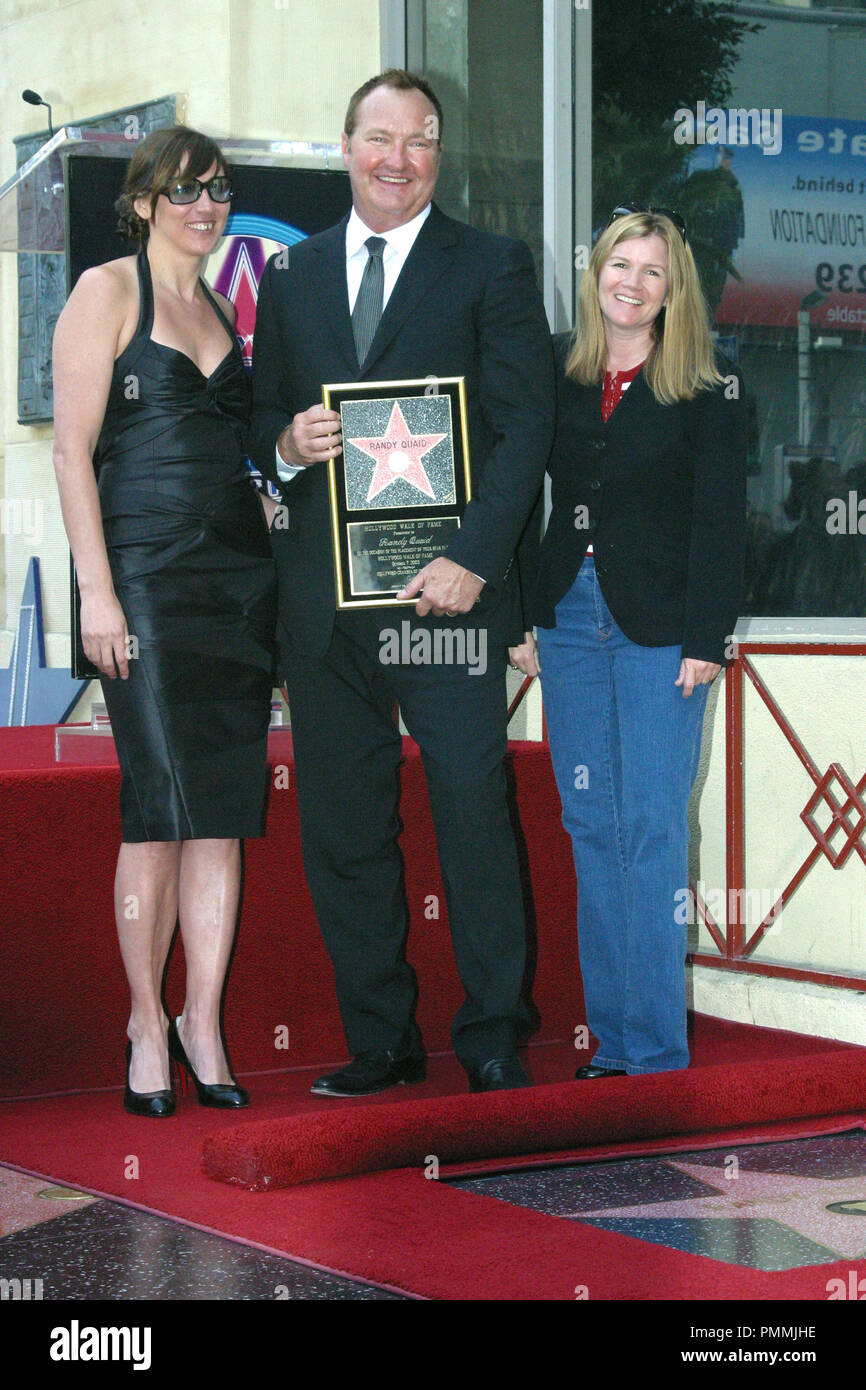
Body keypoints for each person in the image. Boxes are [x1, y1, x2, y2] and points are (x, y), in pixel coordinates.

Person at [250, 69, 554, 1096]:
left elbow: (523, 430)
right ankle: (378, 1041)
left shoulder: (491, 266)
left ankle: (491, 1032)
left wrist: (473, 557)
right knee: (344, 822)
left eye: (418, 141)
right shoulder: (289, 277)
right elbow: (259, 419)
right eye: (379, 137)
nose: (397, 158)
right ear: (346, 147)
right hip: (325, 606)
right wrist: (286, 444)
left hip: (446, 601)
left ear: (436, 156)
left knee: (471, 805)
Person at [52, 126, 277, 1116]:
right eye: (183, 190)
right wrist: (96, 592)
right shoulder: (106, 291)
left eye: (217, 190)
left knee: (220, 816)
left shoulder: (221, 302)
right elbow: (70, 453)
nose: (203, 205)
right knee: (158, 808)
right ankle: (145, 1018)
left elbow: (232, 448)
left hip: (236, 582)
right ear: (143, 201)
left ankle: (203, 1020)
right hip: (140, 576)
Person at [511, 206, 747, 1077]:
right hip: (566, 621)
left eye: (654, 271)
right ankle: (610, 1042)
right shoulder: (554, 370)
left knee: (649, 829)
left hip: (662, 636)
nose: (634, 283)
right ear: (596, 272)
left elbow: (722, 521)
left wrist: (706, 639)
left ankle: (652, 1051)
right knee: (590, 824)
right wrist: (513, 619)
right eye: (621, 264)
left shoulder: (707, 383)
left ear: (671, 288)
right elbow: (512, 490)